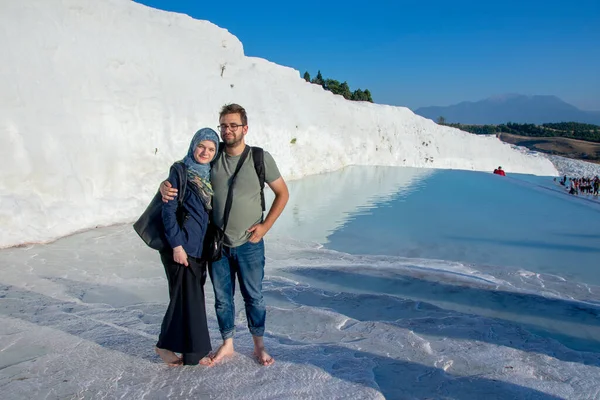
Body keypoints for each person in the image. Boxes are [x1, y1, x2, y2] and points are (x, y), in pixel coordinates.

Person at [161, 104, 289, 366]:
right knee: (222, 299)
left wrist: (265, 226)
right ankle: (228, 344)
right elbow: (188, 171)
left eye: (233, 125)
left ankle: (259, 346)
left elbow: (282, 193)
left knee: (254, 296)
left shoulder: (260, 158)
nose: (228, 130)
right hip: (218, 244)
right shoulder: (214, 156)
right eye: (223, 125)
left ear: (245, 128)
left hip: (250, 242)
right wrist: (164, 186)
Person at [155, 128, 220, 367]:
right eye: (201, 146)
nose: (205, 152)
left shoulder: (209, 175)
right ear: (193, 146)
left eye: (211, 149)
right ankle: (170, 347)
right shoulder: (180, 171)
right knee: (186, 299)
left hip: (198, 248)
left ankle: (186, 351)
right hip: (181, 247)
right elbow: (168, 212)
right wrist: (177, 245)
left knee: (188, 298)